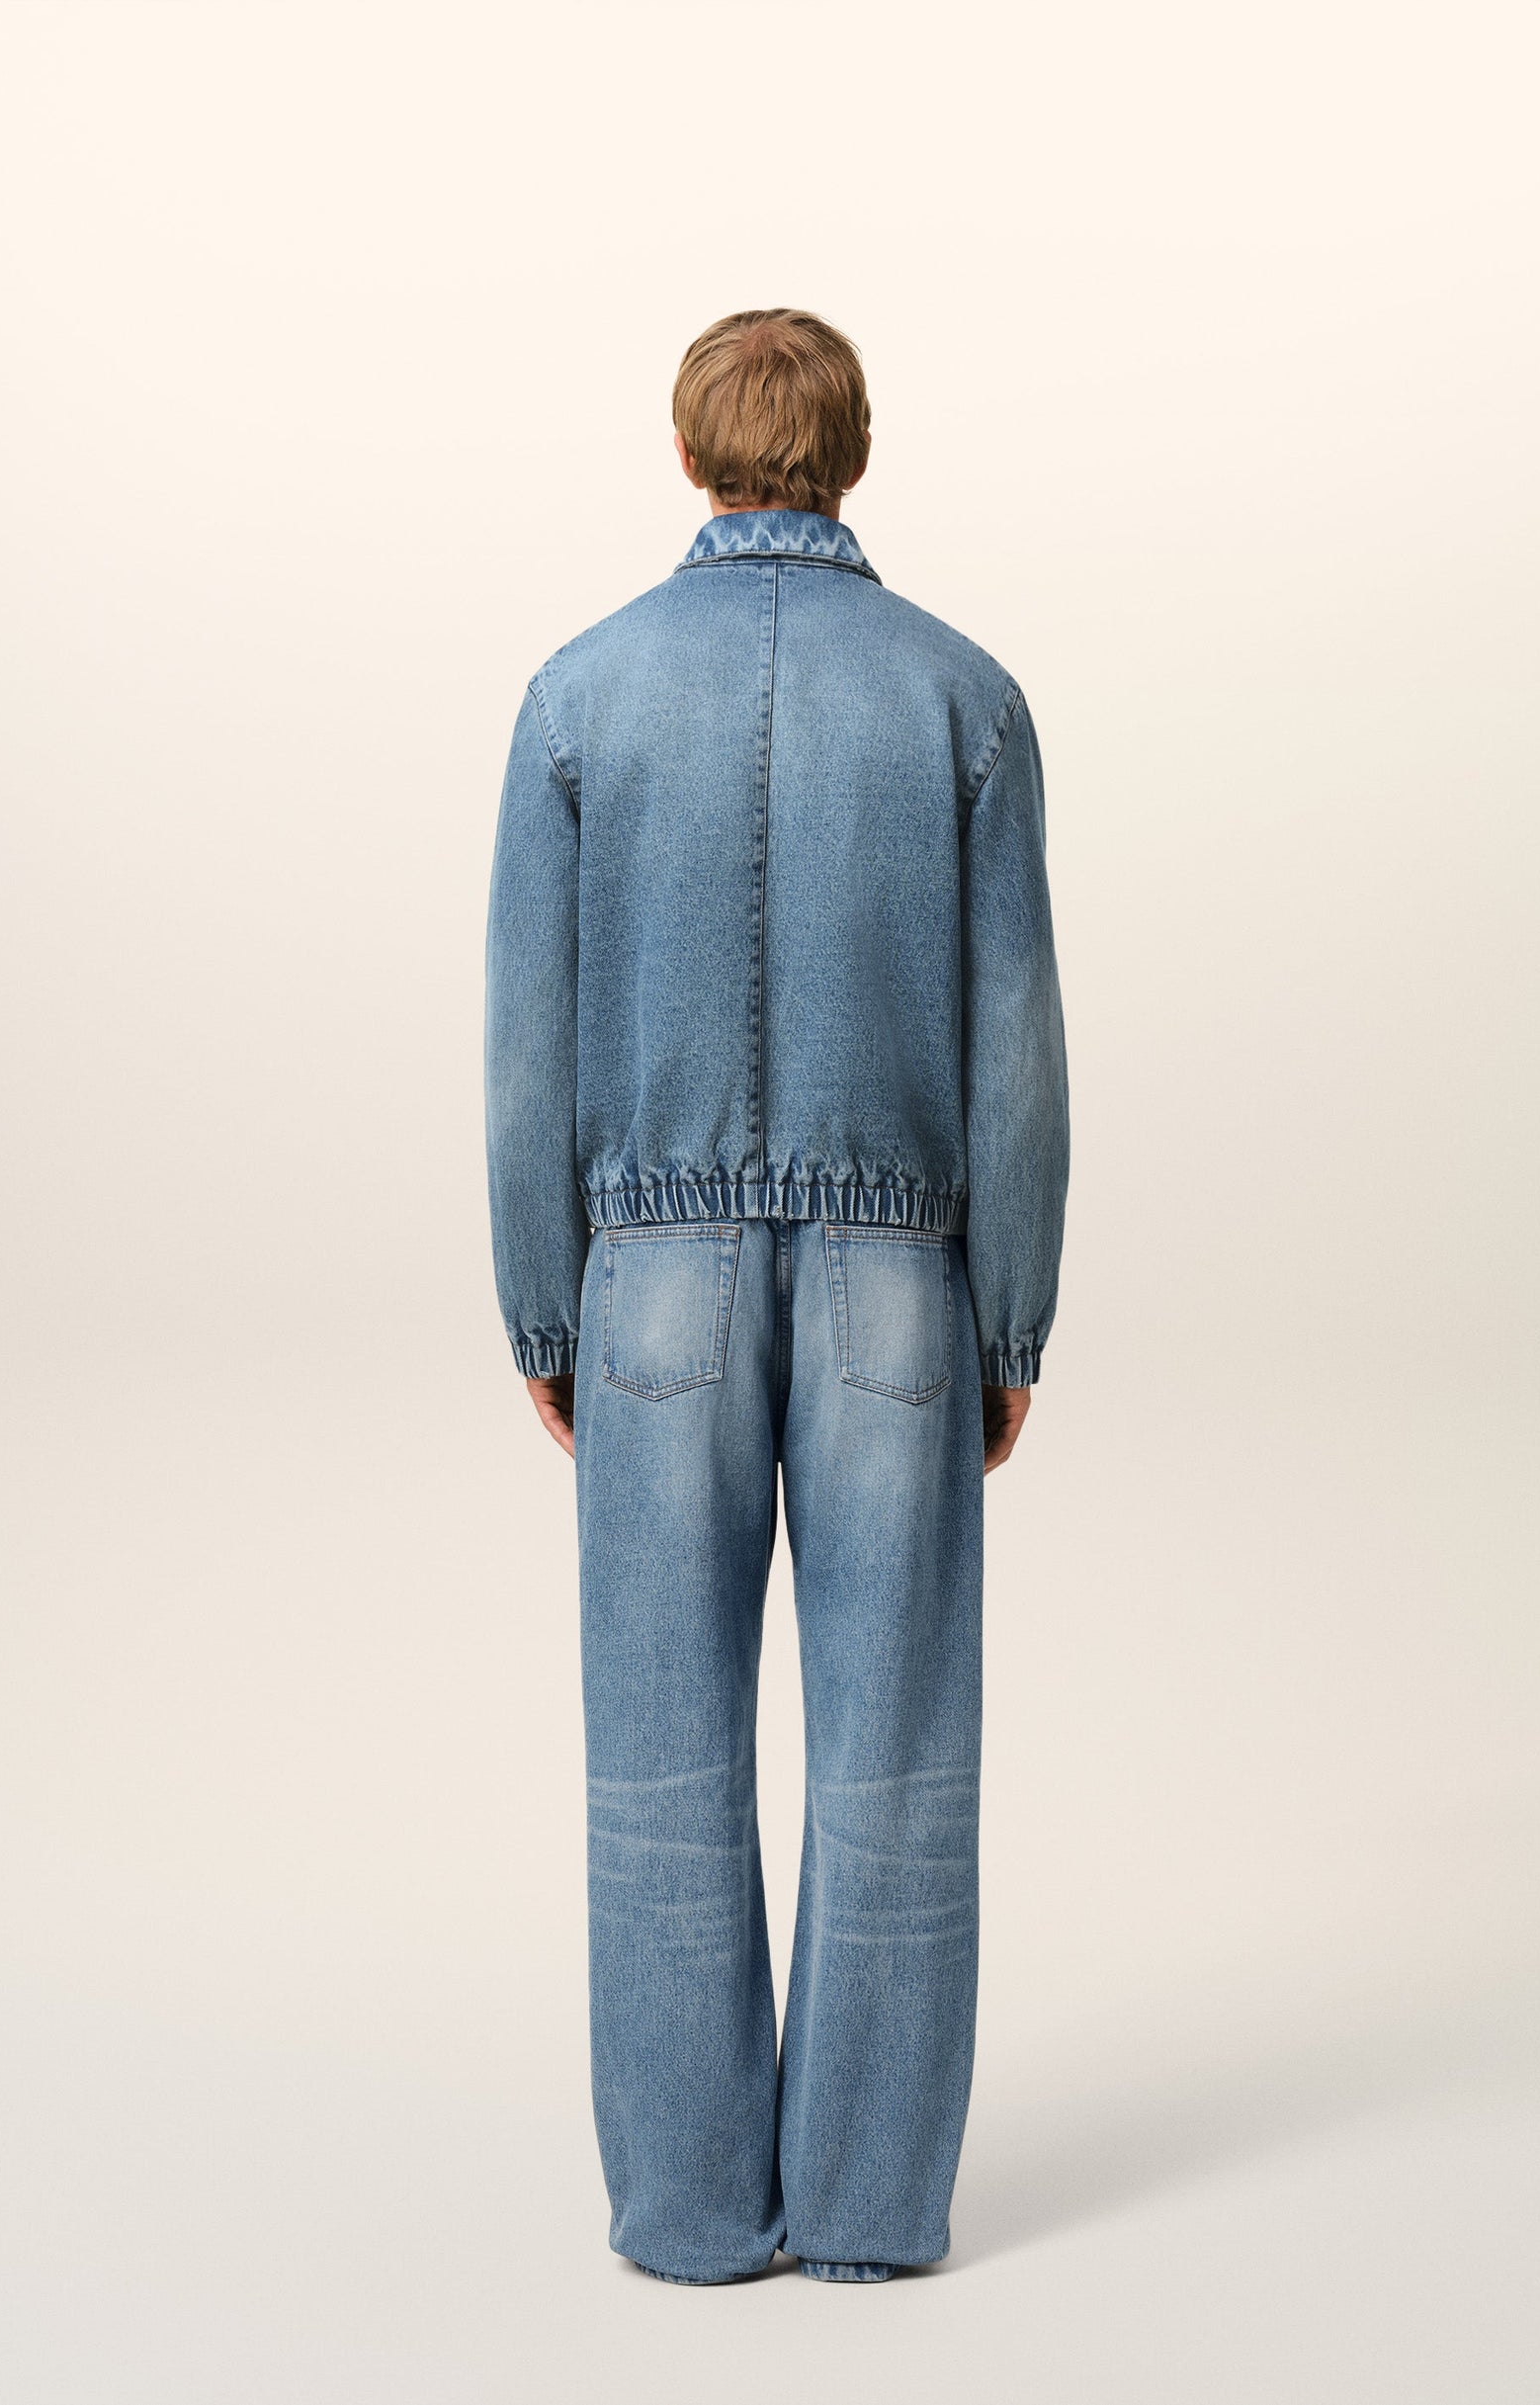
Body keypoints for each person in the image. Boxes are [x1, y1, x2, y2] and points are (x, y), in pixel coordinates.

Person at [484, 307, 1069, 2285]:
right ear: (855, 455)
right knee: (894, 1754)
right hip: (900, 1278)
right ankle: (871, 2208)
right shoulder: (964, 699)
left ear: (687, 455)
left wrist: (545, 1311)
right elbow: (1015, 1048)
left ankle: (686, 2212)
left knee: (659, 1760)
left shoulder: (576, 698)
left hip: (648, 1281)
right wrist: (1006, 1322)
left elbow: (527, 1052)